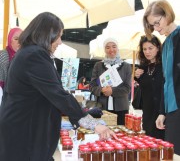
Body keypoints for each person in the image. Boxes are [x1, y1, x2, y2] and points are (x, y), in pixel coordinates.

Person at [0, 12, 117, 161]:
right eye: (59, 36)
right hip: (24, 135)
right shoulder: (34, 55)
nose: (60, 42)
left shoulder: (28, 53)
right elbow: (58, 94)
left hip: (22, 130)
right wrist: (92, 124)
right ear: (46, 34)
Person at [143, 0, 180, 155]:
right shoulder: (165, 45)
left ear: (167, 15)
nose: (156, 29)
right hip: (171, 110)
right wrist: (162, 112)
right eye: (152, 26)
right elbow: (166, 81)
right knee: (172, 153)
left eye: (157, 23)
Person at [90, 37, 132, 125]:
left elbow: (127, 88)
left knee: (120, 134)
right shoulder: (98, 65)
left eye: (114, 46)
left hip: (121, 108)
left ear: (118, 48)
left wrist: (112, 91)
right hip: (102, 108)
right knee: (102, 135)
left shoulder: (126, 66)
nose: (111, 50)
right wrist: (101, 90)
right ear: (104, 50)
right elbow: (92, 86)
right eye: (107, 47)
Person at [134, 35, 165, 139]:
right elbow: (145, 87)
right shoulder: (142, 67)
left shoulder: (165, 65)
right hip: (148, 114)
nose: (147, 52)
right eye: (144, 49)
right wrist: (137, 76)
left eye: (150, 48)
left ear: (158, 48)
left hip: (163, 113)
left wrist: (163, 112)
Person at [0, 27, 22, 105]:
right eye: (16, 39)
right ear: (9, 40)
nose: (19, 42)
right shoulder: (3, 56)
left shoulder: (23, 56)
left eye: (22, 39)